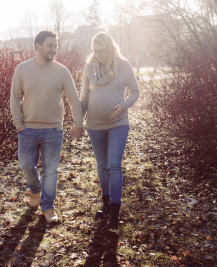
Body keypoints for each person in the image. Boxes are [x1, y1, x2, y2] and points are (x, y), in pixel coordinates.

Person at [10, 30, 84, 223]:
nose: (54, 50)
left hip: (54, 130)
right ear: (38, 47)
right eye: (50, 46)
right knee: (26, 166)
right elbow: (15, 98)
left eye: (55, 46)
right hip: (28, 130)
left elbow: (73, 100)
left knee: (51, 169)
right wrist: (19, 123)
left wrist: (78, 123)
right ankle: (36, 190)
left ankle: (48, 207)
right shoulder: (22, 69)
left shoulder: (61, 71)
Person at [80, 32, 140, 229]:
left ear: (111, 48)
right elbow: (84, 98)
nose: (99, 55)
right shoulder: (90, 68)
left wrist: (123, 105)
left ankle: (115, 211)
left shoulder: (123, 65)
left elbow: (135, 91)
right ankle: (106, 202)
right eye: (95, 52)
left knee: (114, 164)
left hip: (118, 124)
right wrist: (78, 121)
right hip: (95, 126)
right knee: (102, 165)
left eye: (102, 51)